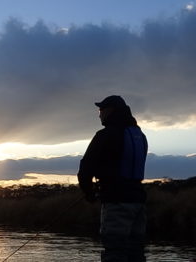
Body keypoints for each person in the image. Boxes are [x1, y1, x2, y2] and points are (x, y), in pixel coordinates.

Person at [78, 95, 148, 262]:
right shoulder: (140, 135)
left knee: (115, 251)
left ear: (111, 111)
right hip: (139, 202)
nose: (99, 114)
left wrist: (89, 193)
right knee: (136, 252)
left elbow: (86, 168)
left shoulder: (105, 135)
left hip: (116, 203)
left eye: (101, 110)